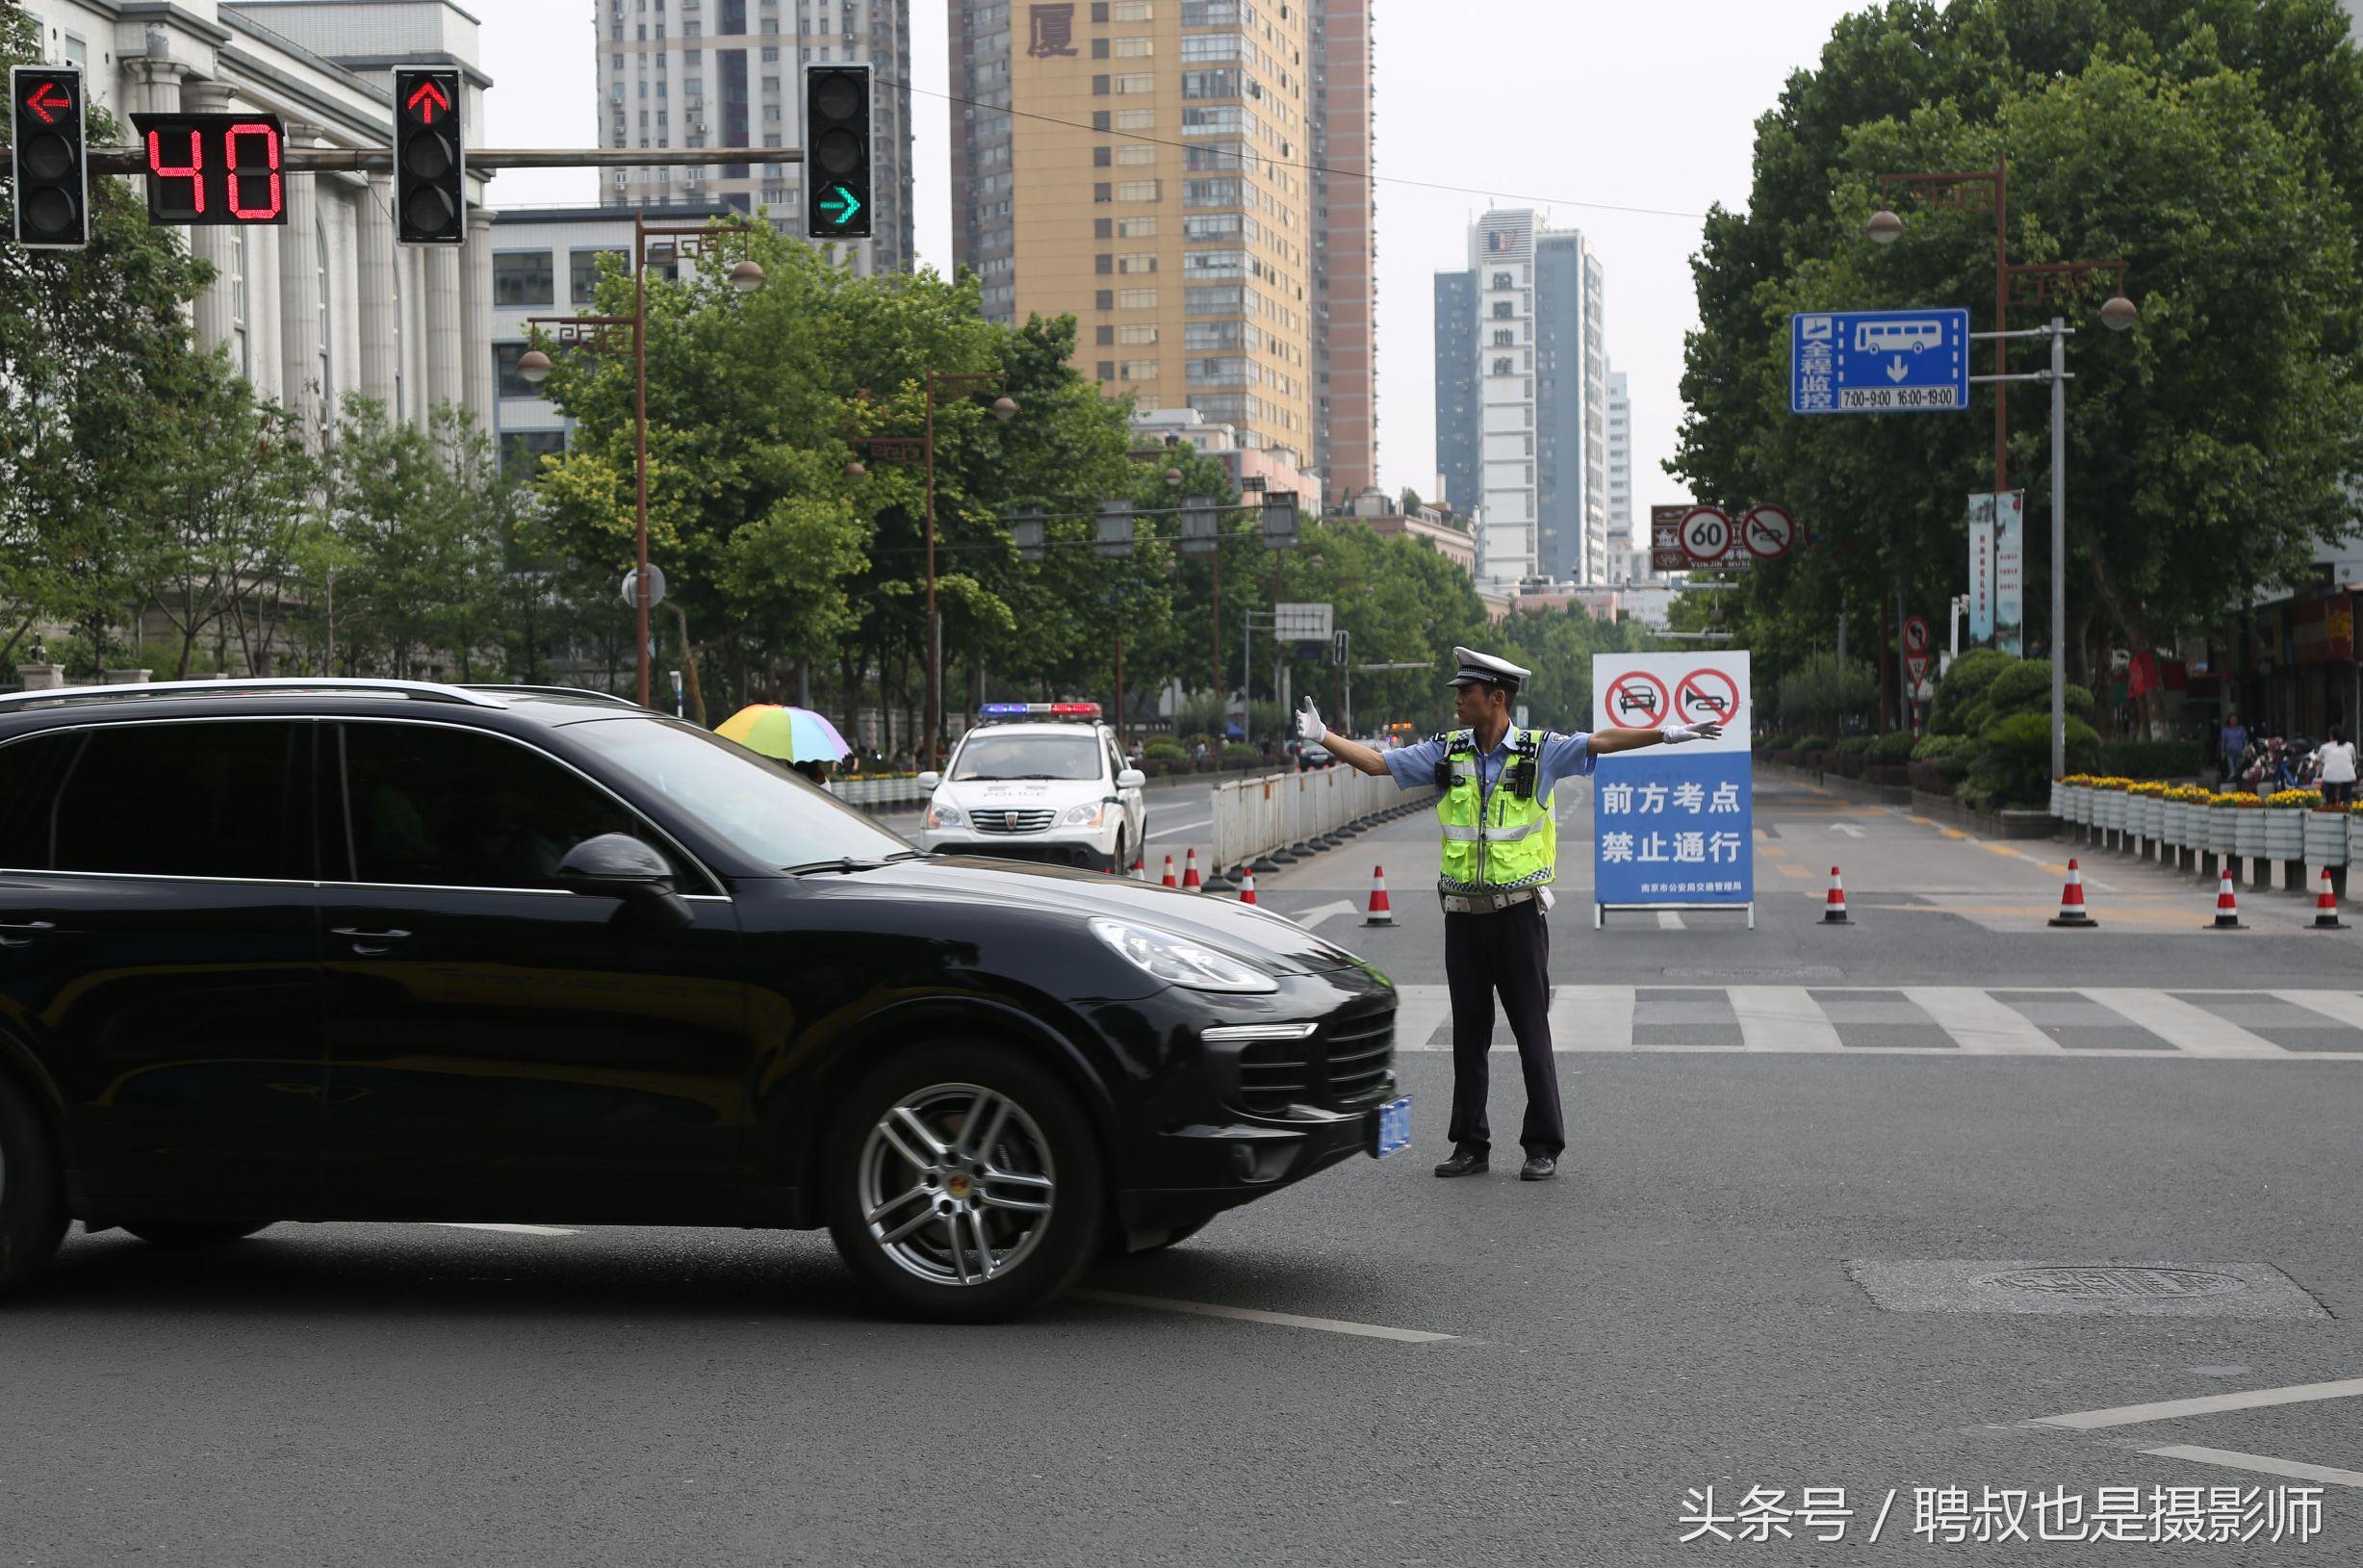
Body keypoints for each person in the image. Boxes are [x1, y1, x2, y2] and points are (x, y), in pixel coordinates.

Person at [1302, 648, 1722, 1182]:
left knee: (1530, 1031)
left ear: (1496, 699)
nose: (1457, 700)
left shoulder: (1539, 752)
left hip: (1518, 916)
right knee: (1469, 1035)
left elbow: (1600, 741)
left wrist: (1667, 733)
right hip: (1463, 917)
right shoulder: (1445, 752)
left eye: (1466, 693)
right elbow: (1379, 762)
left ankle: (1543, 1144)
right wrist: (1323, 737)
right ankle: (1469, 1144)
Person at [2317, 726, 2356, 807]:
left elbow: (2317, 761)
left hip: (2329, 778)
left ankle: (2329, 806)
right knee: (2346, 800)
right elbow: (2354, 760)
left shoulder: (2325, 747)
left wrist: (2315, 766)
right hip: (2348, 777)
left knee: (2328, 800)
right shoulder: (2350, 746)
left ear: (2331, 735)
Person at [2222, 711, 2249, 785]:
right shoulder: (2226, 730)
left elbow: (2245, 739)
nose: (2233, 720)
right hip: (2230, 751)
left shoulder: (2241, 729)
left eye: (2235, 719)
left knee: (2238, 768)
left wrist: (2246, 749)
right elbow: (2224, 741)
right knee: (2232, 770)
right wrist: (2222, 751)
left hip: (2239, 751)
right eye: (2232, 719)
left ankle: (2238, 783)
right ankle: (2232, 784)